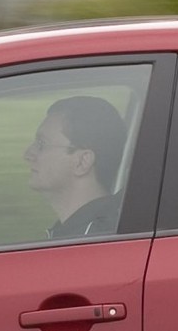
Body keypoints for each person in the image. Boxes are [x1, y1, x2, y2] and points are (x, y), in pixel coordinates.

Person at [25, 95, 128, 239]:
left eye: (42, 144)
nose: (28, 154)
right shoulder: (83, 233)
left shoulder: (93, 241)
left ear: (82, 162)